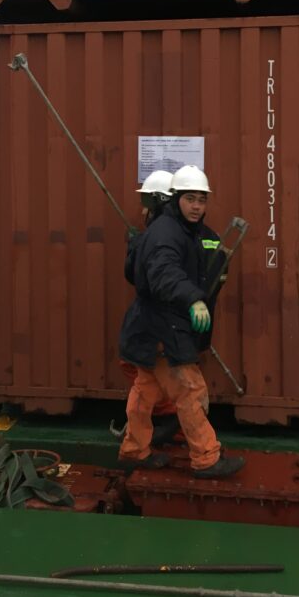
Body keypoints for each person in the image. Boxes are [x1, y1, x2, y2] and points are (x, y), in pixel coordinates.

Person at [118, 165, 244, 478]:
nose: (197, 206)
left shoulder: (183, 230)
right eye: (190, 199)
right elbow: (164, 274)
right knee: (190, 390)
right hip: (164, 327)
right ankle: (207, 458)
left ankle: (134, 450)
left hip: (149, 326)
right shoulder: (167, 233)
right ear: (176, 199)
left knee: (145, 389)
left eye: (202, 200)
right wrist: (194, 299)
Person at [118, 170, 179, 446]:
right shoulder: (177, 233)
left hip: (153, 322)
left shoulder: (157, 238)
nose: (142, 210)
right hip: (161, 323)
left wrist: (136, 250)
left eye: (146, 203)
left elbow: (139, 279)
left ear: (158, 202)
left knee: (141, 372)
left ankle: (150, 432)